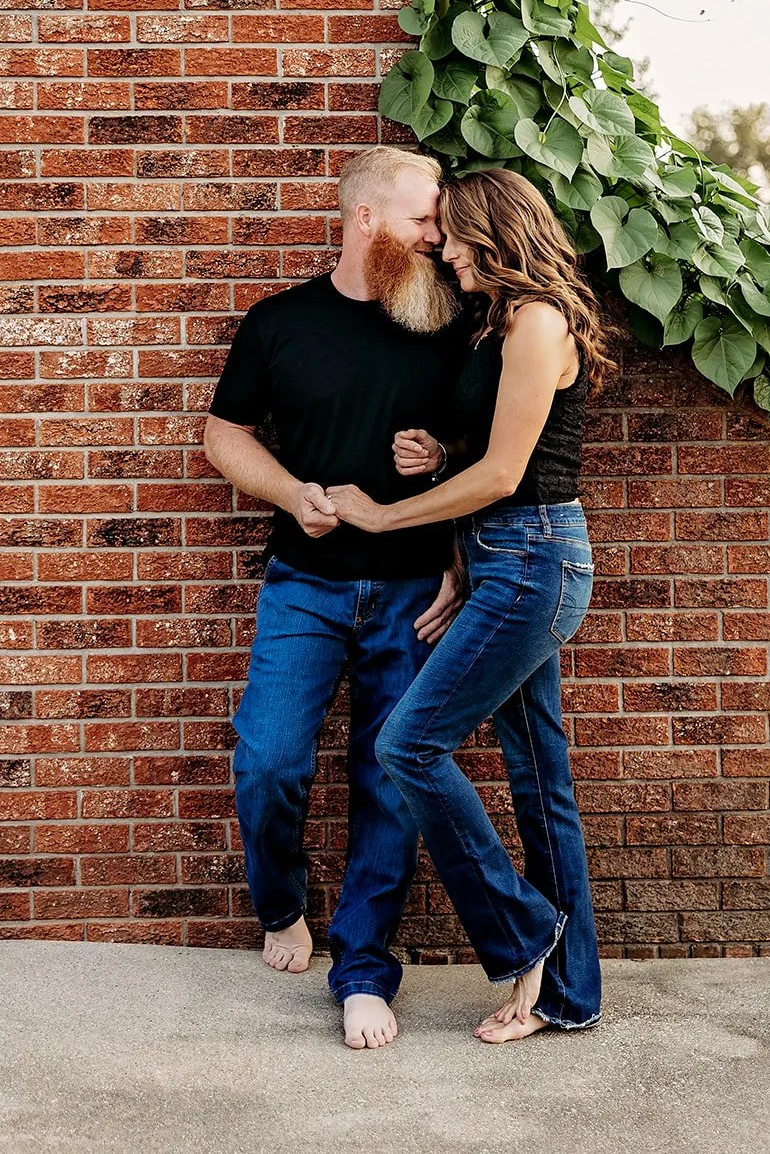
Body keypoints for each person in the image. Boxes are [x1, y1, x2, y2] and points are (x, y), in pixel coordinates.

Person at [325, 167, 611, 1044]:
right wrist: (458, 558)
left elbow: (504, 475)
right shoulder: (497, 323)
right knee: (538, 778)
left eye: (452, 234)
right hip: (499, 561)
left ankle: (524, 936)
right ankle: (570, 995)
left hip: (535, 562)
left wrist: (382, 514)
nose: (441, 249)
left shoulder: (537, 320)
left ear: (491, 232)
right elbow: (477, 462)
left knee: (408, 744)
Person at [202, 146, 468, 1051]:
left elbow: (497, 451)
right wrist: (290, 494)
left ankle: (363, 970)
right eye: (422, 220)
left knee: (390, 781)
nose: (437, 237)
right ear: (365, 221)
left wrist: (440, 461)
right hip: (304, 587)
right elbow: (222, 434)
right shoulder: (280, 323)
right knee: (270, 761)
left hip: (414, 595)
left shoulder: (452, 321)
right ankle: (281, 908)